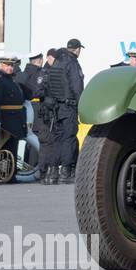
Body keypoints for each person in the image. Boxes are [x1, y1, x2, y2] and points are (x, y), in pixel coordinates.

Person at [41, 40, 85, 185]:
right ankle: (65, 172)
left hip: (54, 107)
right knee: (69, 138)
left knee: (56, 139)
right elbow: (77, 87)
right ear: (77, 49)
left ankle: (52, 173)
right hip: (68, 107)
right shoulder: (71, 63)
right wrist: (81, 106)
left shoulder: (56, 62)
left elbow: (47, 85)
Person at [0, 56, 28, 165]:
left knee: (13, 147)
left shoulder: (11, 79)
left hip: (15, 119)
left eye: (11, 65)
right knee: (4, 147)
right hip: (5, 119)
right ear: (1, 65)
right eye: (7, 65)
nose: (10, 68)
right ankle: (6, 174)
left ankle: (11, 173)